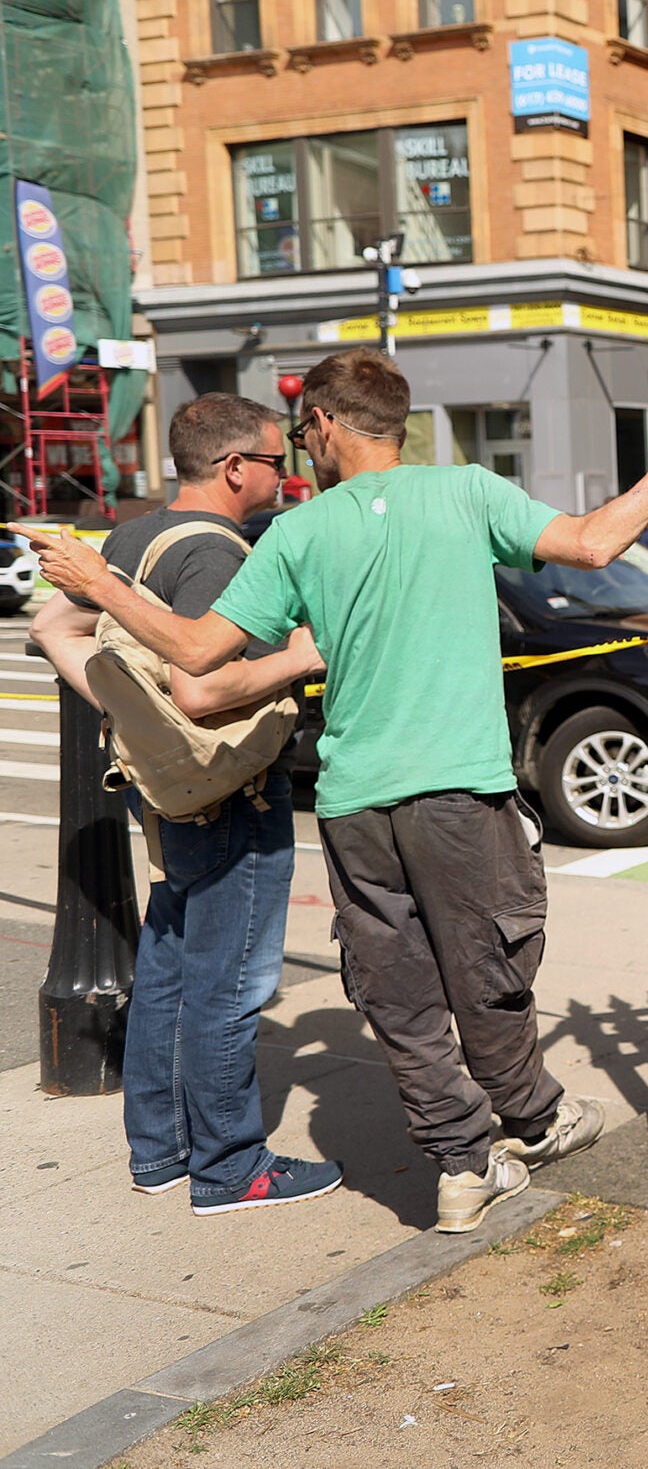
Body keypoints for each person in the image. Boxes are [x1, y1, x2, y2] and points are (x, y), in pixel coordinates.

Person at [32, 348, 648, 1235]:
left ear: (323, 424)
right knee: (490, 973)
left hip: (356, 804)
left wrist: (99, 585)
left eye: (301, 433)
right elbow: (592, 543)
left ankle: (461, 1168)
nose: (299, 447)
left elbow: (198, 655)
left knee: (398, 996)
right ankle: (535, 1119)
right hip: (461, 796)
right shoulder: (467, 492)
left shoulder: (297, 534)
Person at [28, 395, 334, 1214]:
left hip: (162, 786)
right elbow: (201, 690)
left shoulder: (133, 537)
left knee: (168, 963)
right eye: (277, 460)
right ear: (236, 467)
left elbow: (55, 627)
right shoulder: (217, 553)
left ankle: (159, 1151)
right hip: (229, 789)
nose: (287, 473)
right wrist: (303, 654)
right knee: (230, 982)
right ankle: (232, 1166)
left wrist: (123, 708)